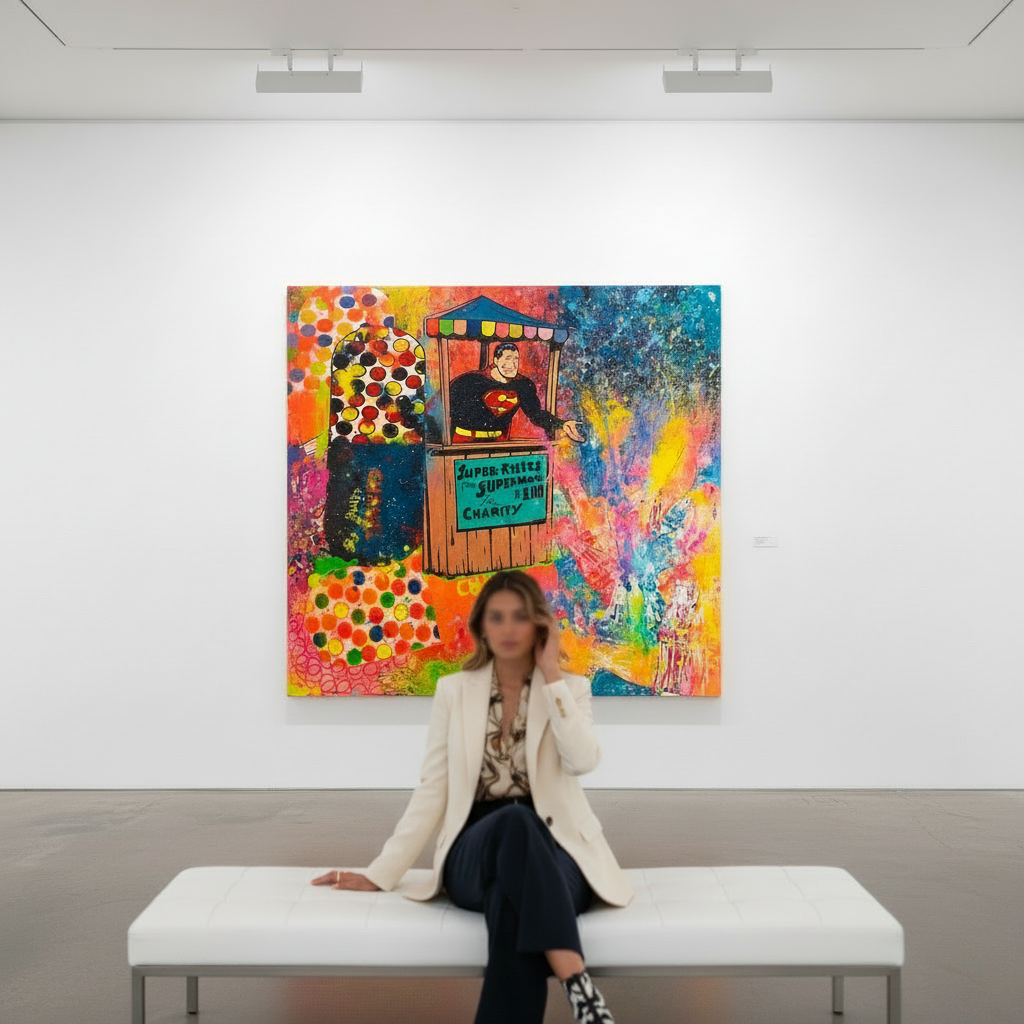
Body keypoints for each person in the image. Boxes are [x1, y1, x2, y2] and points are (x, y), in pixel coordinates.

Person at [312, 570, 632, 1024]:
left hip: (557, 853)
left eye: (520, 617)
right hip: (475, 848)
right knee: (514, 824)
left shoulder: (571, 689)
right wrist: (383, 872)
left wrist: (553, 675)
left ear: (538, 625)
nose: (507, 628)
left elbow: (583, 761)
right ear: (481, 625)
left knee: (509, 898)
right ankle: (578, 984)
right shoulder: (453, 691)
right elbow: (433, 789)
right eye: (497, 617)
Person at [448, 342, 586, 444]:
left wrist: (561, 424)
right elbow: (445, 411)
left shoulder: (522, 385)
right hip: (464, 442)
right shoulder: (469, 381)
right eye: (507, 359)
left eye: (515, 359)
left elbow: (536, 414)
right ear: (496, 360)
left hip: (499, 443)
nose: (512, 365)